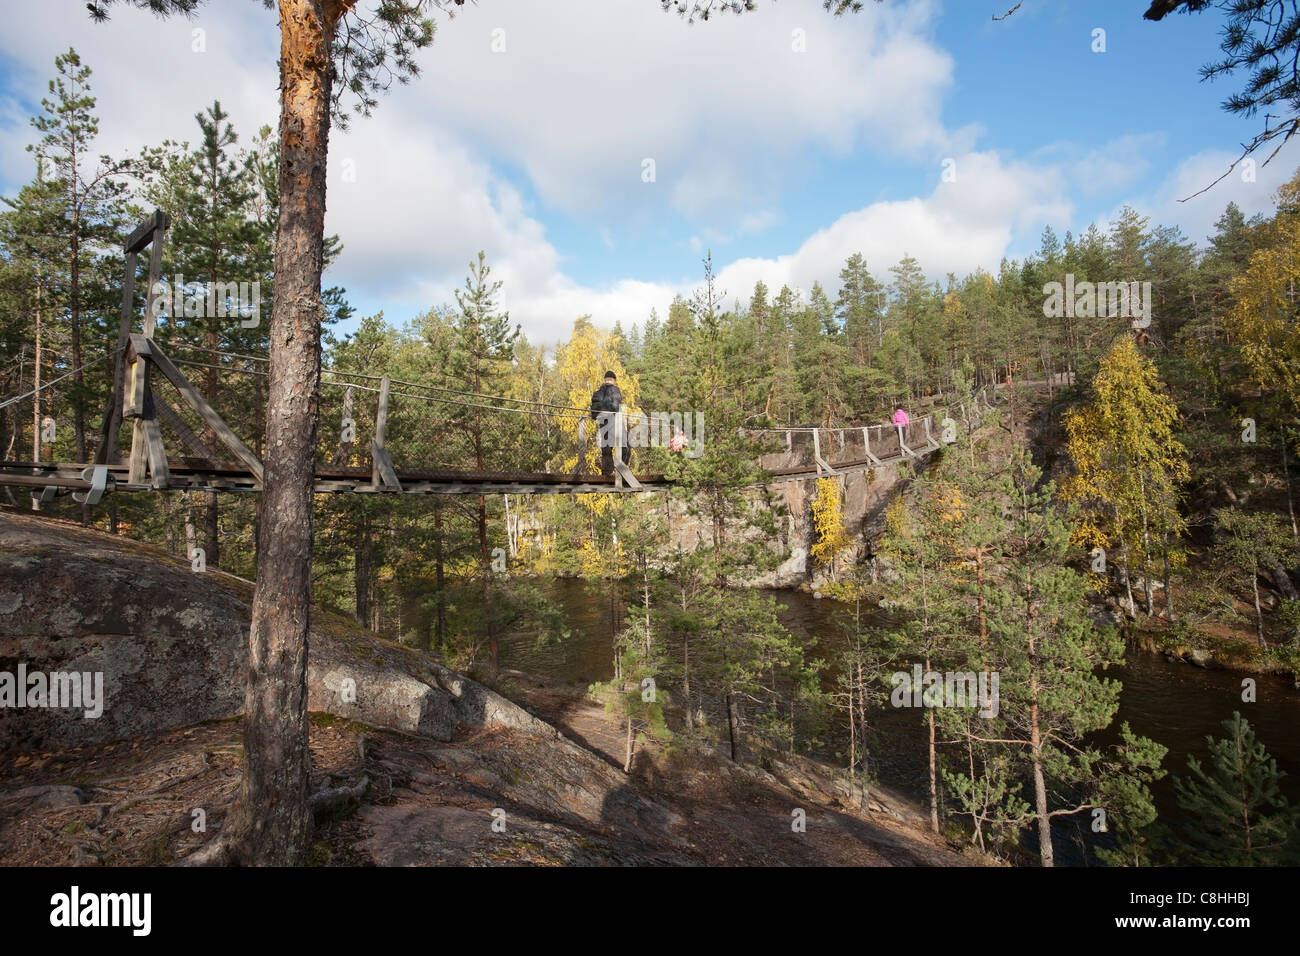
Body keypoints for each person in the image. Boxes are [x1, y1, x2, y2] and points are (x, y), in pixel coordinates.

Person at [590, 370, 630, 477]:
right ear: (613, 380)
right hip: (614, 422)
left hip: (603, 423)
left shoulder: (597, 393)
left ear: (605, 380)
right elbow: (616, 407)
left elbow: (593, 414)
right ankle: (621, 471)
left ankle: (606, 473)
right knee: (626, 447)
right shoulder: (614, 390)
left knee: (606, 449)